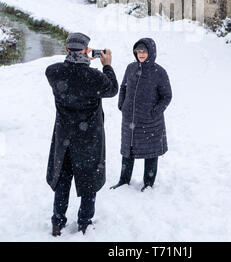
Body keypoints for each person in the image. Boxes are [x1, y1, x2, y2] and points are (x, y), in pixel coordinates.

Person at [45, 32, 118, 236]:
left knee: (63, 179)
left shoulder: (54, 72)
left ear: (67, 49)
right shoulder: (95, 77)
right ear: (87, 50)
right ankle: (84, 222)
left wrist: (81, 61)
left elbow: (68, 73)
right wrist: (107, 65)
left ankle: (57, 222)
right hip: (88, 139)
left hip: (64, 138)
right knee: (88, 181)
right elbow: (112, 89)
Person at [111, 37, 172, 192]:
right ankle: (123, 180)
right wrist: (121, 104)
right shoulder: (130, 68)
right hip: (129, 119)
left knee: (151, 153)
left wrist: (154, 112)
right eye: (138, 51)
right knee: (127, 151)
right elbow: (123, 87)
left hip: (150, 122)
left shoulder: (159, 72)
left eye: (144, 51)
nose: (141, 54)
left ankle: (148, 184)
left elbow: (167, 96)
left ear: (151, 52)